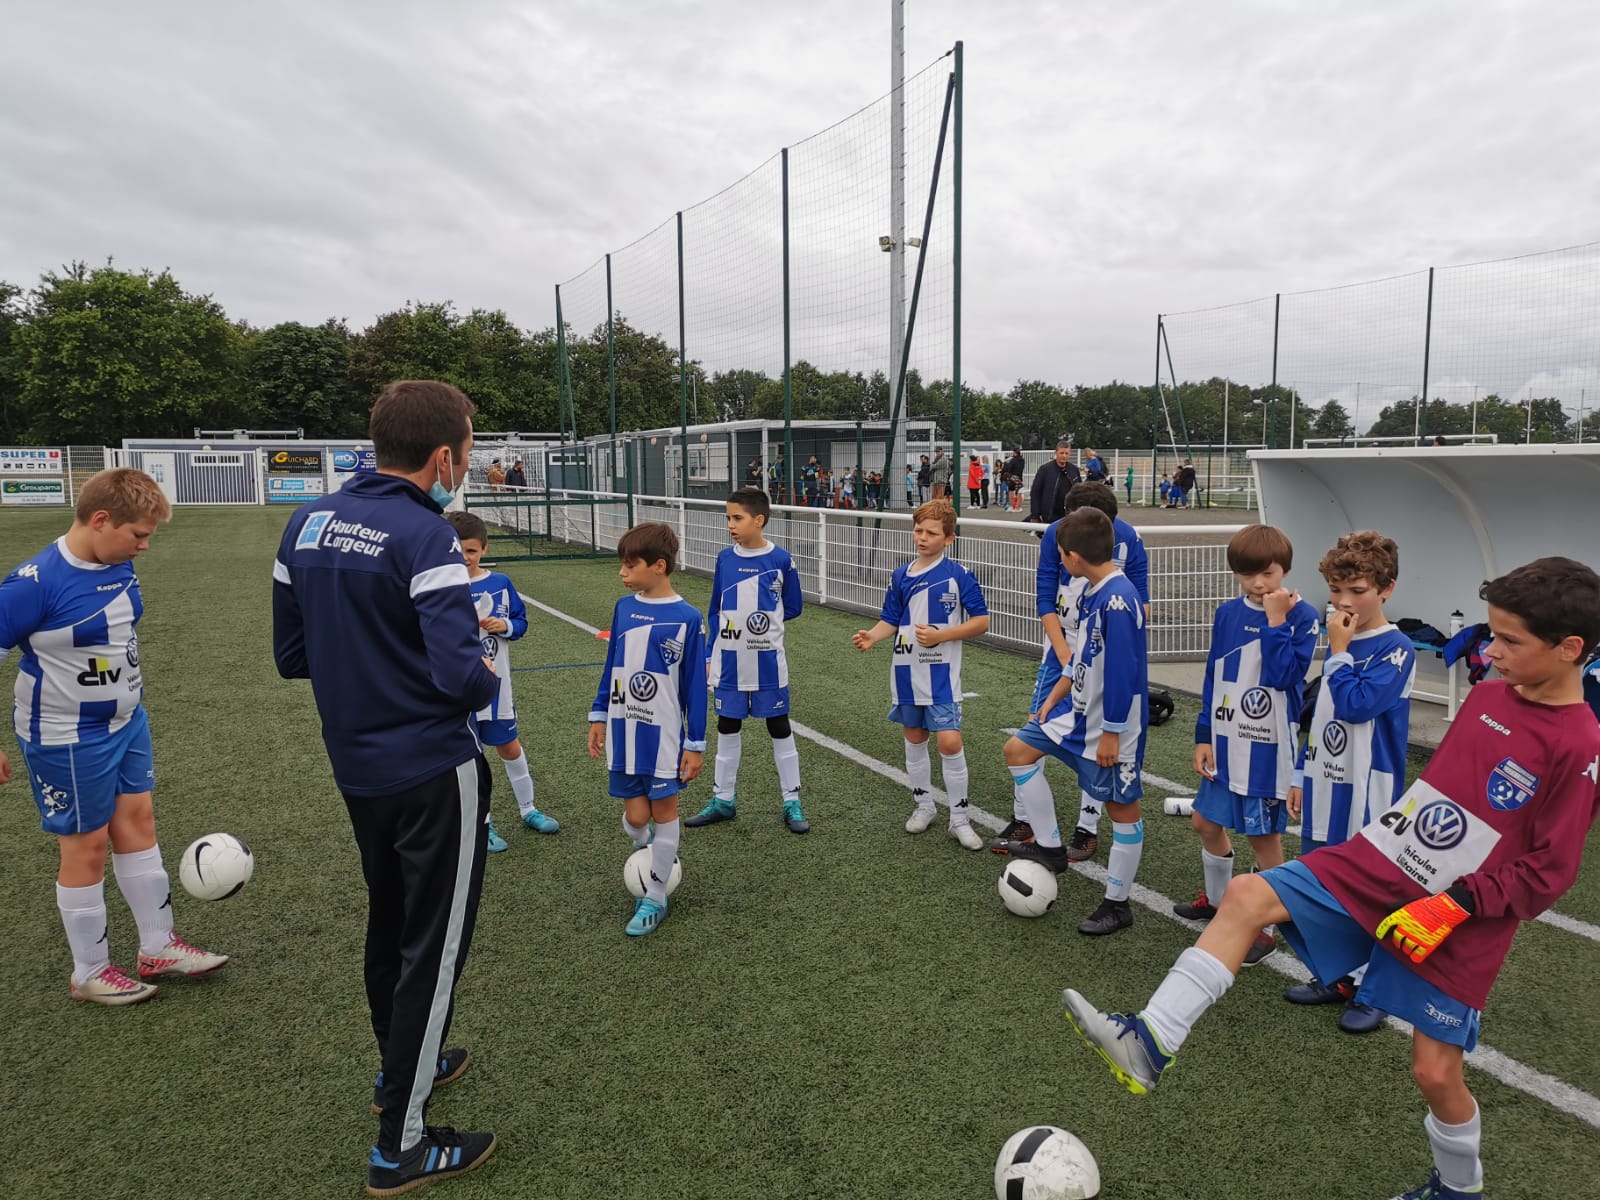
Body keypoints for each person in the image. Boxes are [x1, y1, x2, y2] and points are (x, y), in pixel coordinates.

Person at [1063, 556, 1600, 1200]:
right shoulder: (1489, 694)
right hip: (1381, 860)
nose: (1490, 651)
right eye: (1491, 634)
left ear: (1570, 649)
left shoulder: (1580, 743)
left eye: (1510, 640)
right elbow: (1443, 791)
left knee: (1433, 1073)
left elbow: (1549, 870)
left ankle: (1459, 1190)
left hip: (1460, 912)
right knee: (1246, 895)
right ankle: (1150, 1041)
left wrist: (1457, 903)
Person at [273, 379, 498, 1193]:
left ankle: (399, 1072)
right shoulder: (427, 534)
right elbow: (458, 674)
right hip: (435, 768)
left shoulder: (308, 521)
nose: (466, 464)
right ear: (444, 456)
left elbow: (291, 655)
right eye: (469, 449)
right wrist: (479, 668)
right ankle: (402, 1146)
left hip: (358, 768)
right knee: (433, 950)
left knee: (393, 924)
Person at [0, 468, 227, 1009]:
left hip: (127, 722)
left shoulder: (118, 564)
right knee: (87, 845)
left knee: (138, 823)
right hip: (66, 735)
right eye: (139, 535)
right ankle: (90, 971)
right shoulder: (33, 584)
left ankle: (159, 946)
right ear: (100, 520)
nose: (144, 546)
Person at [1284, 531, 1414, 1034]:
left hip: (1369, 790)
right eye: (1337, 590)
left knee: (1372, 892)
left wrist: (1338, 652)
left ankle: (1376, 989)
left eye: (1357, 590)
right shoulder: (1341, 636)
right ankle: (1338, 974)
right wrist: (1299, 772)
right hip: (1324, 781)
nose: (1343, 602)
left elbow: (1359, 705)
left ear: (1386, 589)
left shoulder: (1396, 647)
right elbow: (1321, 714)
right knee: (1324, 883)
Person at [997, 509, 1150, 935]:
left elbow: (1123, 674)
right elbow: (1080, 657)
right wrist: (1052, 701)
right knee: (1018, 750)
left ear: (1074, 556)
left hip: (1112, 728)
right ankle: (1050, 848)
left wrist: (1114, 735)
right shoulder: (1090, 590)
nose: (1059, 560)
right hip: (1076, 715)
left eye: (1061, 554)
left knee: (1123, 810)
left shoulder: (1118, 600)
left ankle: (1117, 905)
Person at [1174, 525, 1320, 967]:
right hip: (1225, 738)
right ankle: (1220, 903)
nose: (1259, 584)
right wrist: (1204, 734)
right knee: (1204, 821)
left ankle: (1264, 925)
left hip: (1266, 748)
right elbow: (1214, 676)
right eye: (1248, 575)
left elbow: (1283, 677)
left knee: (1263, 835)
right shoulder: (1227, 613)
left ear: (1285, 570)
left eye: (1269, 574)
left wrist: (1276, 620)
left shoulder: (1303, 615)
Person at [587, 522, 708, 937]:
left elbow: (695, 685)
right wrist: (598, 713)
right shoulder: (623, 608)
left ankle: (655, 897)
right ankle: (650, 851)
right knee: (636, 819)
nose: (622, 573)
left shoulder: (688, 618)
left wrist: (695, 743)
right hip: (624, 732)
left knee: (664, 812)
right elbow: (612, 666)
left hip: (665, 740)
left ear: (659, 566)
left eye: (629, 565)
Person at [852, 500, 990, 850]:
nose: (922, 538)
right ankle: (924, 806)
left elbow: (981, 621)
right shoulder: (901, 575)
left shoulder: (959, 575)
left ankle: (960, 818)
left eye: (931, 533)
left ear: (949, 539)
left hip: (942, 676)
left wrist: (943, 635)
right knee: (914, 737)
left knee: (949, 742)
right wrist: (872, 635)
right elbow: (891, 619)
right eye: (918, 531)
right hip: (905, 673)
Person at [687, 488, 807, 834]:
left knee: (779, 726)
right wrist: (713, 651)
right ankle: (723, 799)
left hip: (769, 664)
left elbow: (793, 606)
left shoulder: (781, 560)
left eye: (737, 518)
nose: (730, 525)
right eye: (728, 518)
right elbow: (715, 609)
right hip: (729, 664)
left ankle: (792, 801)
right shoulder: (724, 559)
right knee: (727, 725)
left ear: (759, 520)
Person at [445, 510, 561, 852]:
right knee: (472, 757)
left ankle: (529, 809)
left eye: (471, 551)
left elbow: (521, 624)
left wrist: (505, 627)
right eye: (457, 551)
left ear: (483, 548)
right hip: (459, 692)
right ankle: (484, 823)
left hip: (498, 690)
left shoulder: (501, 584)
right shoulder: (441, 585)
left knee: (509, 747)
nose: (464, 558)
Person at [1027, 440, 1081, 526]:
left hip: (1070, 514)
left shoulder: (1074, 470)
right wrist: (1035, 514)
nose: (1064, 456)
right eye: (1061, 453)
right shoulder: (1045, 470)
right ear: (1056, 453)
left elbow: (1079, 492)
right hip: (1049, 514)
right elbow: (1035, 492)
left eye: (1066, 453)